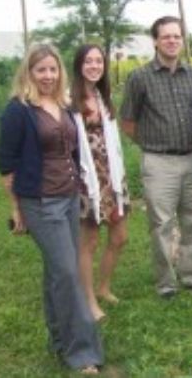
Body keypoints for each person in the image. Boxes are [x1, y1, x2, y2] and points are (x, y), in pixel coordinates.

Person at [0, 43, 103, 374]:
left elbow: (72, 151)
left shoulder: (64, 105)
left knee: (57, 274)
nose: (47, 75)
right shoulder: (19, 110)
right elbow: (7, 166)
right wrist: (17, 210)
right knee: (68, 273)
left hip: (69, 197)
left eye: (52, 69)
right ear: (29, 72)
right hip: (40, 202)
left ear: (60, 72)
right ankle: (83, 353)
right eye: (40, 69)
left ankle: (60, 341)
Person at [120, 16, 192, 298]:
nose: (172, 41)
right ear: (156, 41)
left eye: (177, 36)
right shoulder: (139, 77)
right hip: (159, 161)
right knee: (161, 225)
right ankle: (166, 283)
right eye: (166, 36)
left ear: (183, 40)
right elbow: (128, 122)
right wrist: (151, 145)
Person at [71, 44, 129, 321]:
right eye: (88, 61)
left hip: (112, 176)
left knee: (120, 237)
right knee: (90, 242)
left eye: (98, 61)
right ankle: (88, 300)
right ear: (78, 64)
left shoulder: (102, 95)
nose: (94, 66)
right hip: (86, 179)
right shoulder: (69, 98)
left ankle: (103, 287)